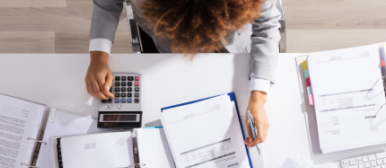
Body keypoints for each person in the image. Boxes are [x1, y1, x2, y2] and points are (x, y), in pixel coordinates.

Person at [85, 0, 281, 148]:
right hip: (168, 47)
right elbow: (107, 4)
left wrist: (258, 98)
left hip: (233, 50)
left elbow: (267, 26)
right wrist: (99, 57)